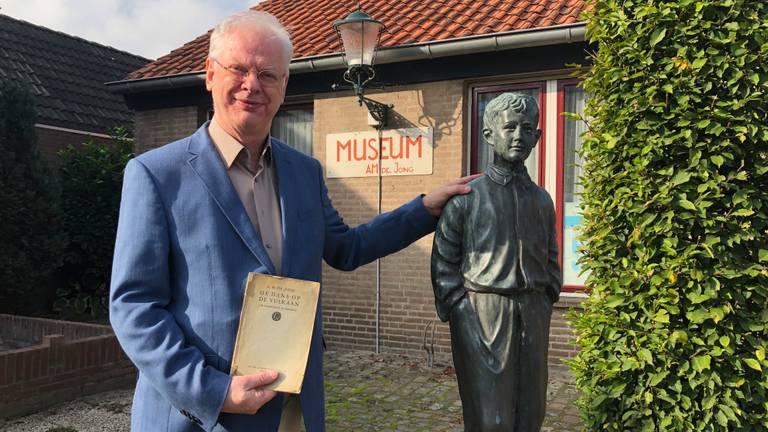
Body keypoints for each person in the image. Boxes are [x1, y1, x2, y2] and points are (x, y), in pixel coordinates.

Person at [109, 10, 477, 432]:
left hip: (291, 410)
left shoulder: (304, 171)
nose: (253, 85)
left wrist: (425, 209)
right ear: (210, 73)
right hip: (202, 418)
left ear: (284, 86)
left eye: (268, 74)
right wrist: (212, 390)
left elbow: (347, 247)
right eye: (239, 69)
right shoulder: (155, 175)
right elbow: (134, 307)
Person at [431, 92, 561, 431]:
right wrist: (461, 310)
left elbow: (550, 255)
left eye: (527, 128)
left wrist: (547, 296)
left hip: (533, 311)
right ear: (489, 135)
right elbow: (444, 261)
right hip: (483, 312)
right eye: (510, 127)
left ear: (537, 137)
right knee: (491, 417)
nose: (519, 135)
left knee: (531, 411)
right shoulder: (468, 198)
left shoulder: (542, 200)